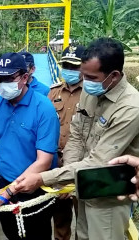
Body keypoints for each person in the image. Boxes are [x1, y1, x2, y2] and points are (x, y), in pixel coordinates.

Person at [14, 38, 139, 240]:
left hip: (108, 196)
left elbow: (99, 161)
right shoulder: (91, 93)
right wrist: (67, 181)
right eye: (83, 75)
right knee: (81, 235)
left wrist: (44, 178)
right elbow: (77, 136)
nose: (85, 81)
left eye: (90, 76)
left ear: (114, 76)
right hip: (83, 186)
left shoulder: (130, 108)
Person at [0, 52, 60, 240]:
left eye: (8, 79)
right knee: (11, 232)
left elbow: (44, 161)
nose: (2, 84)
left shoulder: (43, 108)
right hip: (3, 180)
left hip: (35, 186)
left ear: (25, 77)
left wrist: (9, 191)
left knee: (36, 234)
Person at [49, 45, 86, 240]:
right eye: (66, 65)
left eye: (74, 66)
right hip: (57, 164)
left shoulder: (91, 94)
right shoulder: (53, 93)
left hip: (83, 165)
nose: (69, 70)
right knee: (60, 216)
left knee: (84, 218)